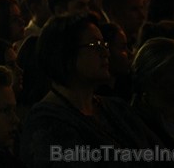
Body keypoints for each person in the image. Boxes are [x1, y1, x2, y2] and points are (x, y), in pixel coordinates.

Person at [20, 13, 157, 168]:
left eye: (104, 45)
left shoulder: (116, 108)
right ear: (65, 54)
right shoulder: (46, 122)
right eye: (94, 46)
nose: (106, 53)